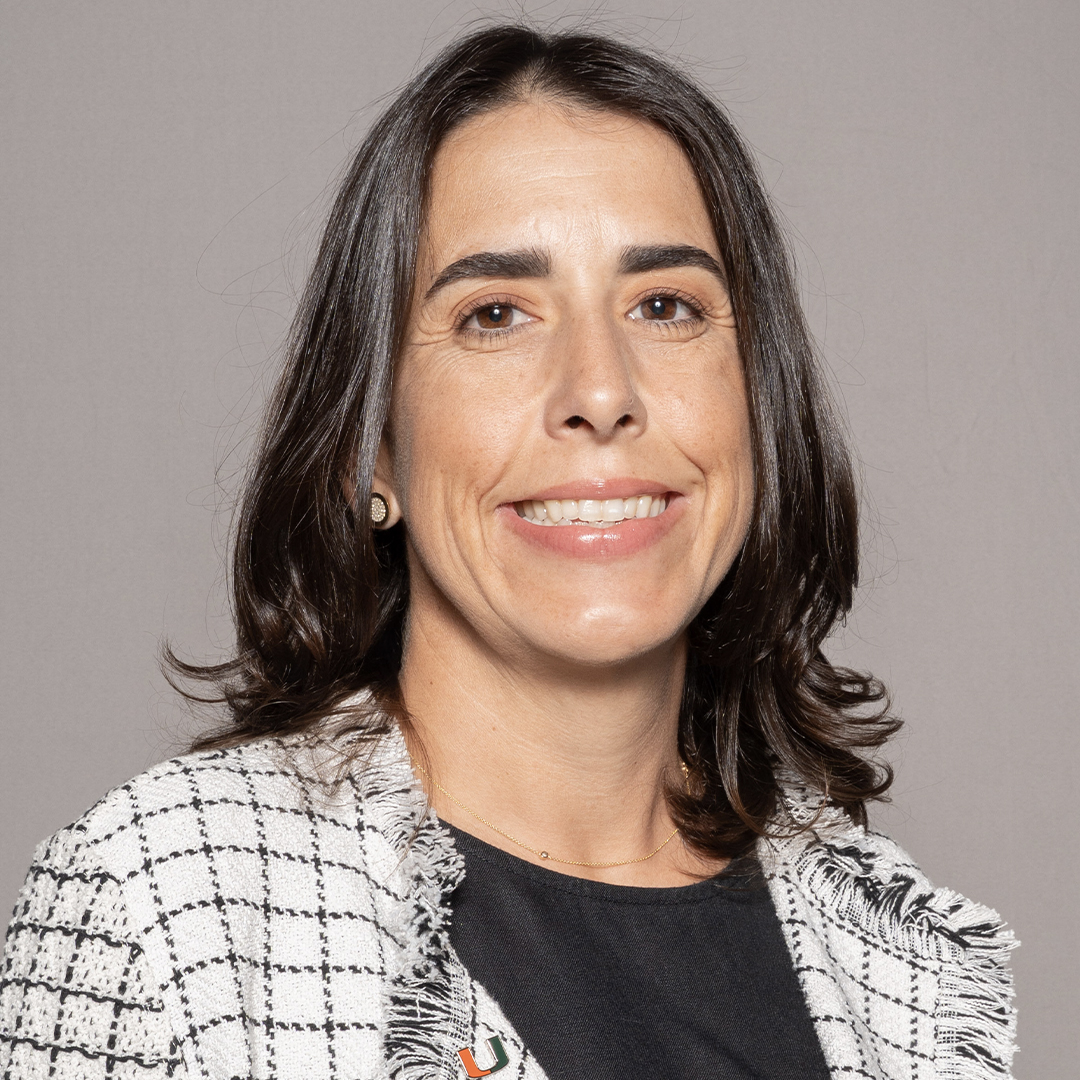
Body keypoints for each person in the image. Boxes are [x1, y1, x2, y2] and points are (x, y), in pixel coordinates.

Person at [0, 24, 1016, 1080]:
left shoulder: (905, 973)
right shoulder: (165, 914)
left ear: (758, 403)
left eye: (665, 306)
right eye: (495, 314)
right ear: (373, 447)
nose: (601, 393)